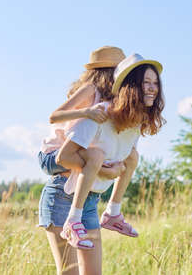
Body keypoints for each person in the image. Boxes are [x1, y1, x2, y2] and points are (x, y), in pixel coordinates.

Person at [55, 53, 165, 274]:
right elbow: (61, 158)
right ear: (131, 86)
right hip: (63, 196)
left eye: (155, 83)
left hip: (90, 201)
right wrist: (103, 171)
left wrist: (114, 169)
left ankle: (113, 213)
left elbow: (122, 161)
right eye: (146, 82)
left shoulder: (135, 121)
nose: (153, 88)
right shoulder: (98, 114)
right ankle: (73, 221)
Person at [38, 46, 136, 274]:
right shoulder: (90, 90)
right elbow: (54, 116)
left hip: (87, 197)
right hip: (53, 154)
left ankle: (114, 211)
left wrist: (113, 168)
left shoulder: (113, 103)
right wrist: (87, 113)